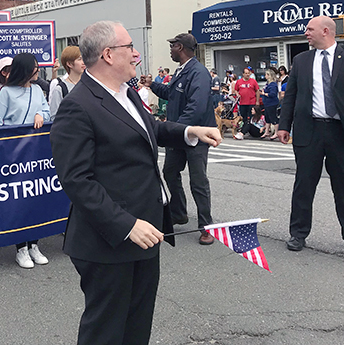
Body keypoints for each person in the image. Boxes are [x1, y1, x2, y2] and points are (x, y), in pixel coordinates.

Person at [50, 21, 221, 345]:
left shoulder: (125, 93)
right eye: (130, 46)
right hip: (110, 241)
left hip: (145, 232)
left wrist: (190, 132)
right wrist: (126, 225)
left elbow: (149, 129)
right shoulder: (78, 106)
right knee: (106, 331)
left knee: (137, 325)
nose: (136, 53)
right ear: (108, 55)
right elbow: (77, 180)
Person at [277, 16, 344, 257]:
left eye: (310, 29)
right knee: (304, 184)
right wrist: (283, 125)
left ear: (325, 31)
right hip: (309, 130)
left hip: (341, 132)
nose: (306, 33)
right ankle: (298, 233)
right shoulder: (301, 60)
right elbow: (291, 95)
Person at [149, 33, 217, 245]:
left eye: (172, 47)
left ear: (179, 47)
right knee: (170, 172)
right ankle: (179, 213)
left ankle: (206, 227)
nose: (170, 50)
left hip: (196, 134)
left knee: (198, 181)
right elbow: (172, 94)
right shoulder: (182, 71)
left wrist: (175, 128)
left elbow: (196, 107)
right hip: (179, 133)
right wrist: (152, 85)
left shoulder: (199, 72)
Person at [0, 53, 51, 268]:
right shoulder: (6, 92)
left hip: (35, 154)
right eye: (35, 67)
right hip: (13, 155)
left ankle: (34, 243)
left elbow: (46, 112)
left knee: (35, 198)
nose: (38, 70)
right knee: (18, 200)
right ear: (25, 69)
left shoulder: (37, 90)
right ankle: (21, 248)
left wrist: (41, 116)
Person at [48, 46, 85, 118]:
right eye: (79, 59)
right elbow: (54, 117)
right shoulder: (60, 89)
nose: (83, 62)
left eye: (83, 59)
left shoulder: (89, 85)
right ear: (69, 64)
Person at [232, 67, 259, 140]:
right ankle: (246, 130)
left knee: (248, 118)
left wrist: (257, 101)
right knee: (243, 118)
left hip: (251, 102)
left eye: (248, 73)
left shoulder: (253, 81)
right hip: (242, 103)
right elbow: (236, 90)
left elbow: (257, 91)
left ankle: (242, 133)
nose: (247, 75)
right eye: (246, 73)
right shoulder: (239, 82)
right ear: (243, 74)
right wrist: (237, 94)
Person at [261, 68, 280, 140]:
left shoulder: (273, 84)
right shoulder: (267, 84)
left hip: (272, 103)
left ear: (269, 75)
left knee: (273, 117)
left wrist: (264, 94)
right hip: (266, 103)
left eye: (266, 74)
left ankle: (276, 132)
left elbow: (273, 94)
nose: (265, 76)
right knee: (267, 118)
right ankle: (267, 132)